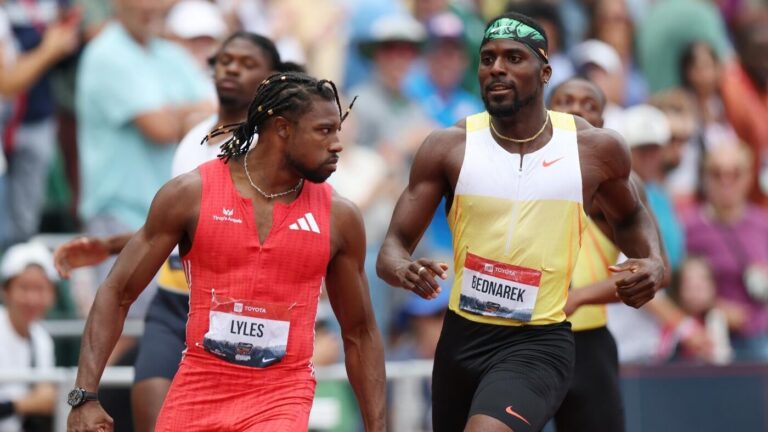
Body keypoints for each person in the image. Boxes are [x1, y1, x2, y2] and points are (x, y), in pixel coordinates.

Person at [376, 12, 664, 432]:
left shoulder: (592, 150)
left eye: (513, 58)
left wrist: (652, 259)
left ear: (544, 72)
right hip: (461, 339)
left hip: (539, 341)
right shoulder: (448, 147)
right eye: (487, 58)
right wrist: (403, 267)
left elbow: (633, 214)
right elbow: (391, 248)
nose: (497, 67)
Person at [66, 71, 386, 431]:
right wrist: (84, 395)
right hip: (197, 390)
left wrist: (377, 427)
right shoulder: (190, 194)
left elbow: (360, 332)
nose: (338, 144)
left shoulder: (339, 217)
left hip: (281, 398)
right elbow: (117, 291)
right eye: (325, 131)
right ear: (282, 129)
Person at [55, 33, 299, 431]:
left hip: (233, 311)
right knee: (151, 408)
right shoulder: (193, 137)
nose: (232, 68)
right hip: (173, 301)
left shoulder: (270, 149)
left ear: (271, 78)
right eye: (225, 60)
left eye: (247, 63)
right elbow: (175, 224)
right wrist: (111, 245)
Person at [0, 241, 58, 432]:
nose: (32, 299)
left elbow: (47, 398)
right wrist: (24, 404)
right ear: (5, 291)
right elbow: (42, 398)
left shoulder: (41, 340)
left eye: (40, 289)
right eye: (24, 288)